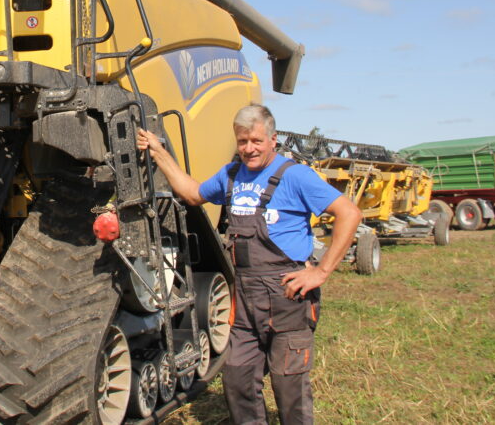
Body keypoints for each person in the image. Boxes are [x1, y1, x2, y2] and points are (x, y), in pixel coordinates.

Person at [136, 104, 362, 425]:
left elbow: (349, 214)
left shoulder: (295, 176)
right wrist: (159, 152)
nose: (249, 148)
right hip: (245, 299)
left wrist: (321, 271)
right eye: (242, 141)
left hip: (287, 298)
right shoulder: (231, 175)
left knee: (289, 386)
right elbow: (192, 193)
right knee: (237, 378)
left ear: (272, 139)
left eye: (256, 141)